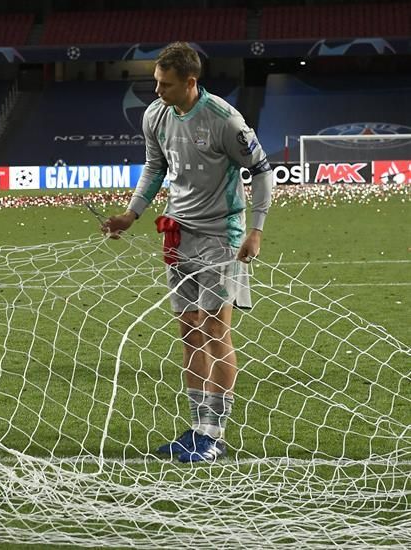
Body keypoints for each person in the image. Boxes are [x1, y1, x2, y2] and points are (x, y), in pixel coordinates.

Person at [102, 42, 272, 463]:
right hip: (179, 235)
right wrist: (132, 213)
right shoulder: (155, 115)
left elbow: (262, 171)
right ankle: (197, 427)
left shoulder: (225, 121)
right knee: (189, 331)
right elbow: (155, 166)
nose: (157, 90)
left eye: (166, 84)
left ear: (190, 83)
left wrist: (256, 231)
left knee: (216, 331)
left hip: (221, 236)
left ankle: (215, 431)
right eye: (156, 82)